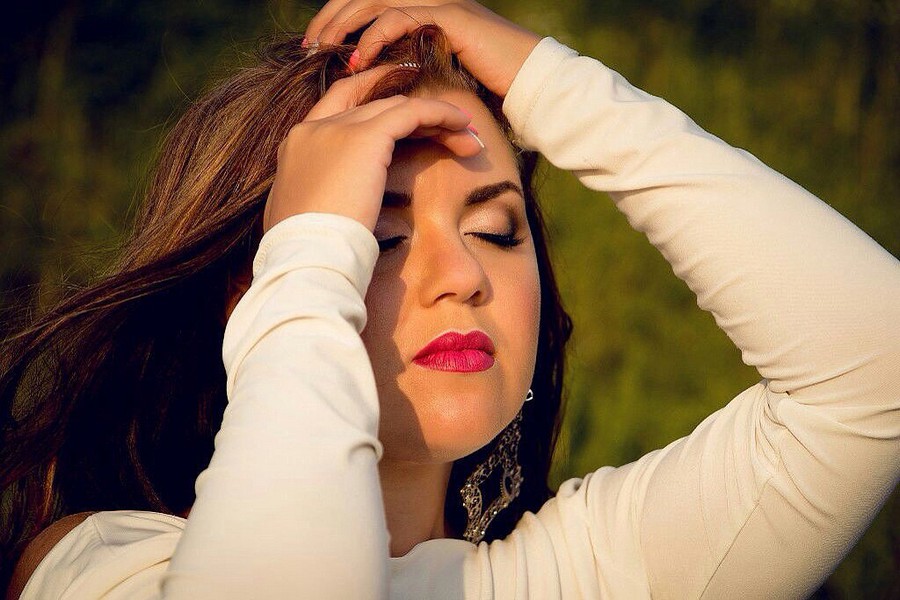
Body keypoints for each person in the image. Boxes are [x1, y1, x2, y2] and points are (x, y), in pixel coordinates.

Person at [2, 0, 897, 598]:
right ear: (260, 294)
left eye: (498, 230)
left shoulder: (582, 574)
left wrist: (552, 82)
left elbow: (875, 361)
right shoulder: (102, 568)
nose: (463, 275)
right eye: (377, 238)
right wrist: (308, 256)